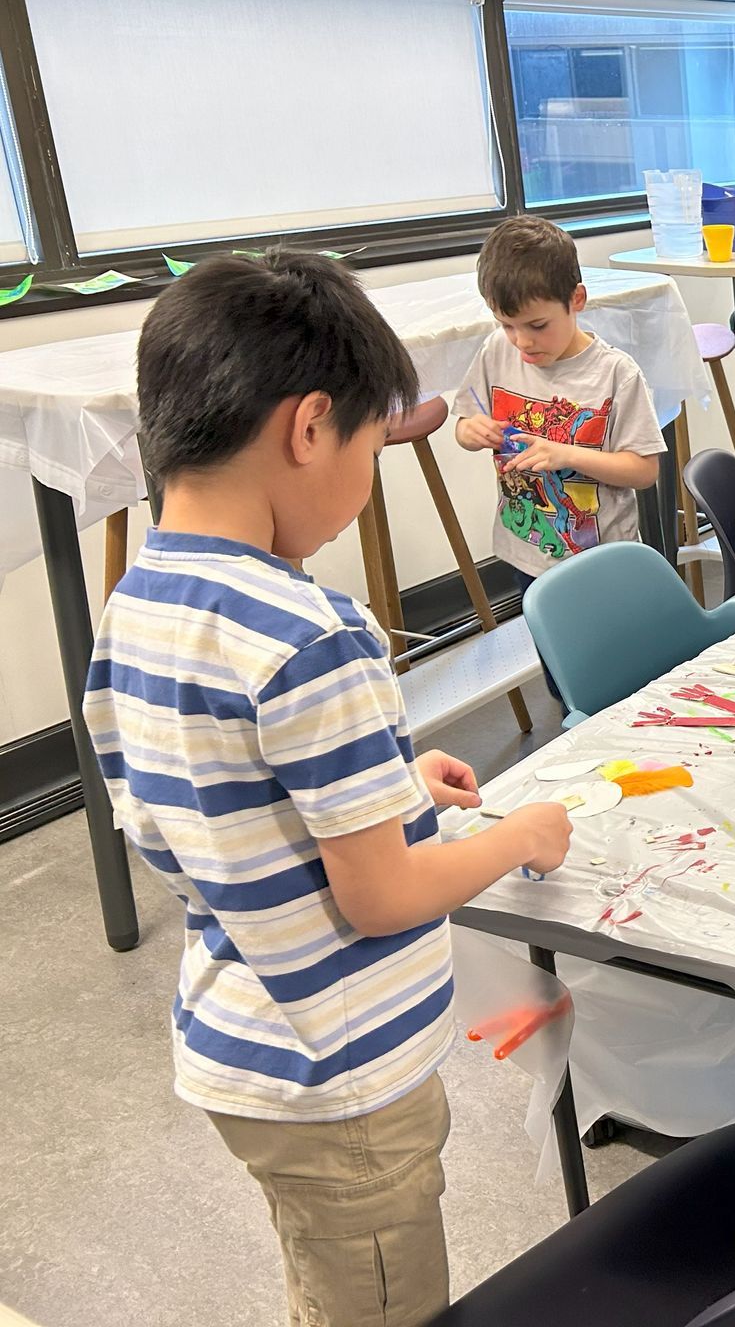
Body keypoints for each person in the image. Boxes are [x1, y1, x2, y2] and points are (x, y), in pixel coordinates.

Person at [81, 252, 573, 1326]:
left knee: (325, 1278)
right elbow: (381, 897)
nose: (365, 481)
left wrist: (393, 785)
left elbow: (202, 798)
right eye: (371, 444)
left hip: (236, 1040)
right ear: (309, 429)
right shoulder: (311, 632)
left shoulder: (136, 604)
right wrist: (519, 833)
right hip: (340, 1074)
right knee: (385, 1302)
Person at [453, 215, 665, 595]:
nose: (522, 341)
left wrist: (567, 455)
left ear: (576, 300)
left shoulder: (616, 374)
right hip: (527, 552)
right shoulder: (496, 352)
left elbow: (644, 470)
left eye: (537, 326)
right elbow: (465, 422)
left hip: (603, 561)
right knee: (553, 652)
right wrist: (470, 430)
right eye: (507, 325)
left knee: (611, 652)